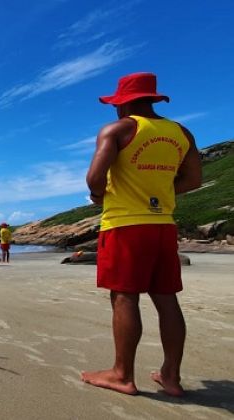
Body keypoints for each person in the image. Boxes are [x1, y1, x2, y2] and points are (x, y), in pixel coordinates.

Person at [81, 72, 202, 397]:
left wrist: (100, 195)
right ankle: (171, 376)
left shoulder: (118, 130)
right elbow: (193, 180)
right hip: (163, 225)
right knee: (166, 298)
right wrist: (159, 191)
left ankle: (122, 374)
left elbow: (94, 179)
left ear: (124, 102)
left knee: (124, 296)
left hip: (125, 226)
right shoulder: (181, 133)